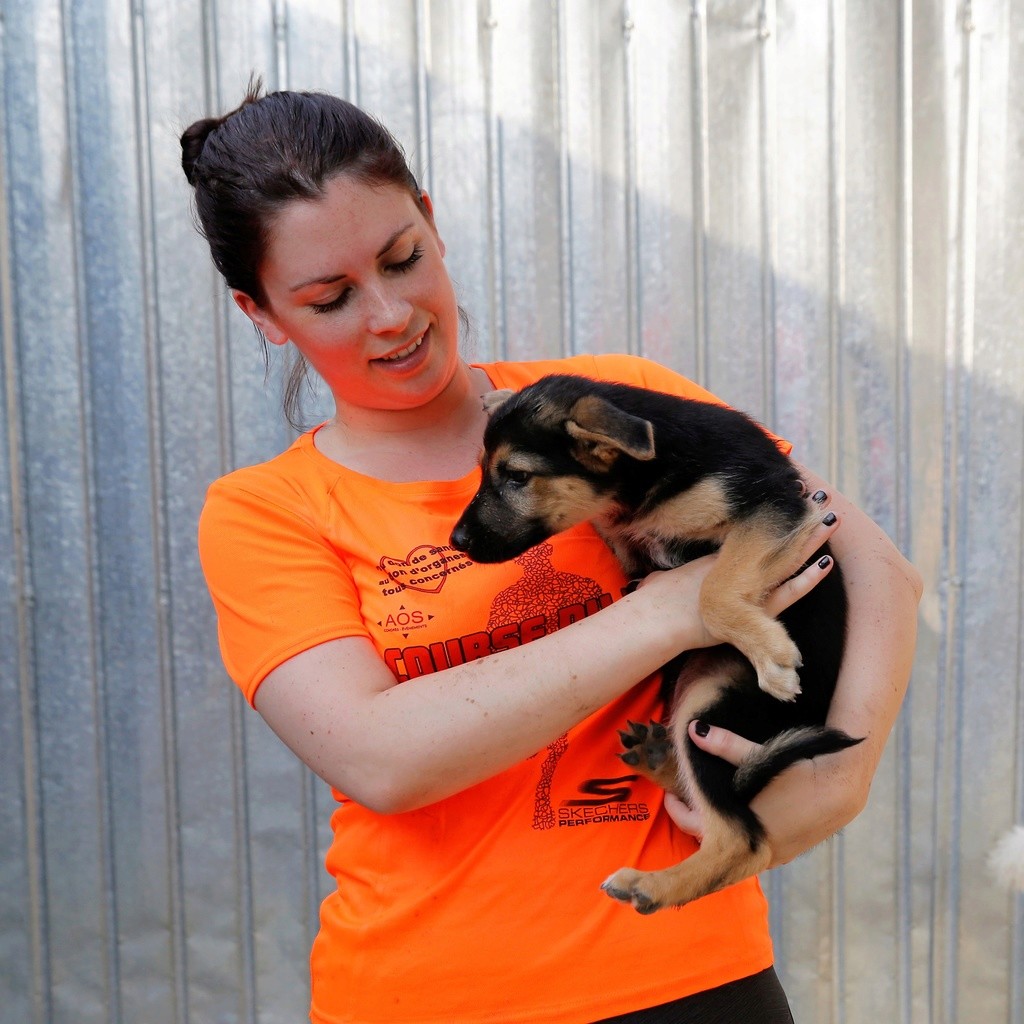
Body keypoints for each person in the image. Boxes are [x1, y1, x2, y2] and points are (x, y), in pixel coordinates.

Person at [182, 82, 922, 1024]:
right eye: (330, 299)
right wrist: (668, 612)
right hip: (428, 996)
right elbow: (381, 758)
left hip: (694, 976)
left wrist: (844, 774)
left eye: (403, 259)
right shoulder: (267, 512)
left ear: (434, 225)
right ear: (263, 314)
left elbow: (869, 563)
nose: (390, 316)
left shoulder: (614, 407)